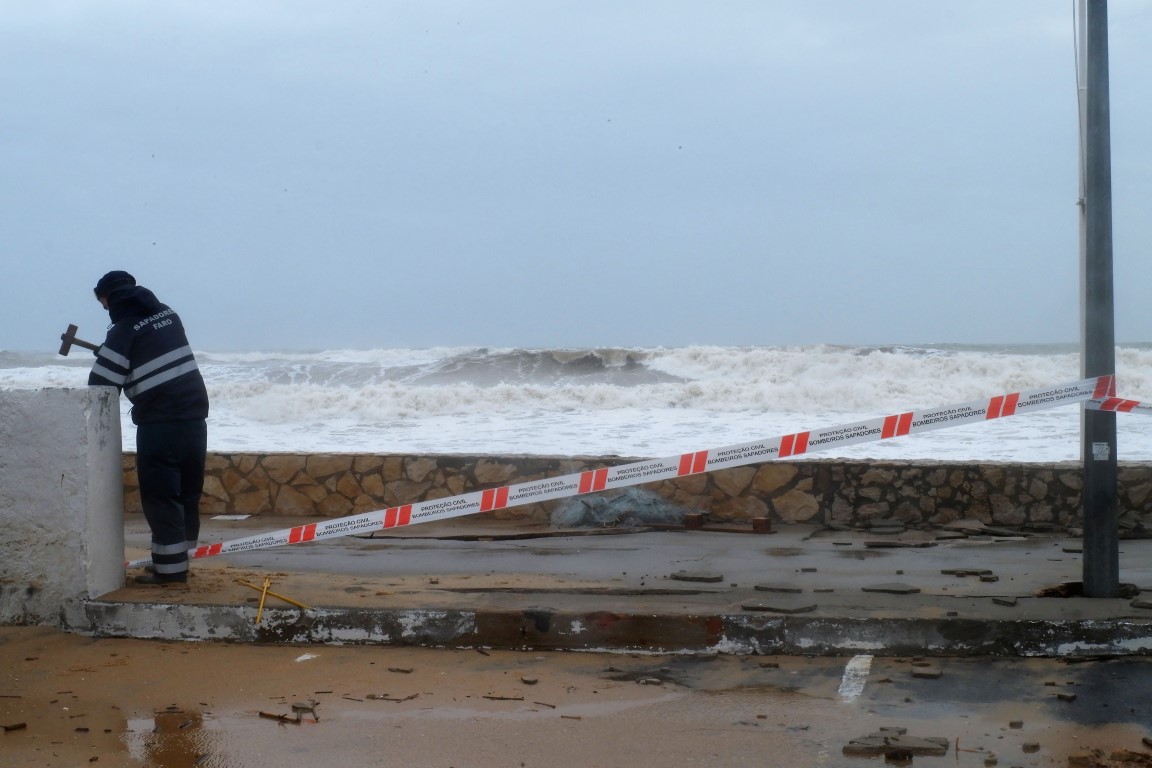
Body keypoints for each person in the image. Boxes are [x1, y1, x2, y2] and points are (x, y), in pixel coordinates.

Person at [88, 271, 210, 585]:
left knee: (161, 497)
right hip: (195, 420)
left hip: (160, 426)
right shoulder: (168, 315)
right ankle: (181, 562)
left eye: (102, 302)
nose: (104, 309)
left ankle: (170, 573)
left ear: (109, 297)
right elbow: (154, 354)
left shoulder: (123, 331)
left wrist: (111, 355)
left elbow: (100, 386)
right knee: (186, 494)